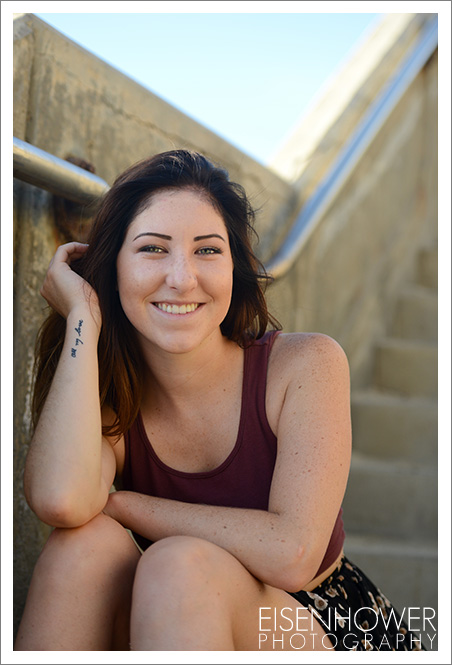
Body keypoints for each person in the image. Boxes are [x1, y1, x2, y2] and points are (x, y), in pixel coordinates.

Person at [15, 150, 424, 651]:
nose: (182, 278)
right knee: (81, 546)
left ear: (234, 267)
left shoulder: (305, 365)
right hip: (178, 611)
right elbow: (61, 500)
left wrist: (125, 505)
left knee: (179, 566)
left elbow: (291, 554)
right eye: (152, 249)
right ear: (113, 266)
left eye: (207, 250)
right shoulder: (114, 399)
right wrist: (83, 315)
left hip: (323, 618)